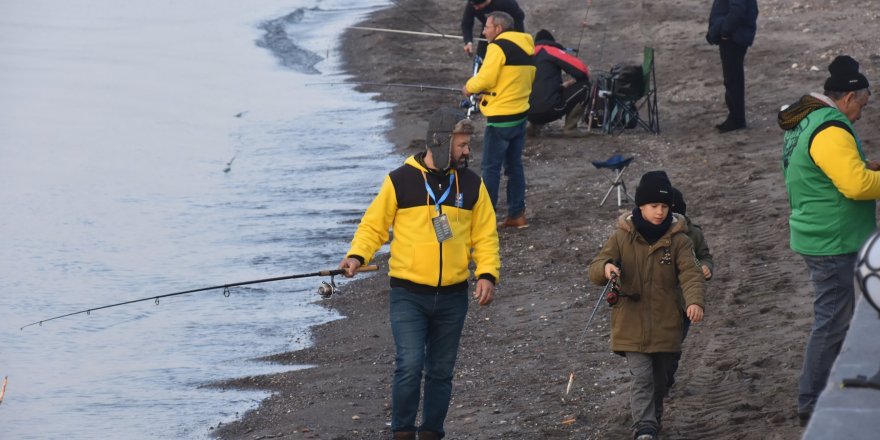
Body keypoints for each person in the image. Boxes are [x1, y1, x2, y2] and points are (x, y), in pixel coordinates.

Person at [338, 107, 500, 440]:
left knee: (441, 372)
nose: (468, 151)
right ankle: (402, 432)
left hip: (453, 297)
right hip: (408, 294)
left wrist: (486, 274)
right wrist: (356, 255)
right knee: (410, 365)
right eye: (462, 145)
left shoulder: (472, 184)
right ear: (441, 142)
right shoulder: (400, 180)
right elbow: (374, 226)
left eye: (468, 144)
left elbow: (485, 236)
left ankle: (431, 433)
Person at [779, 54, 879, 426]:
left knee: (838, 316)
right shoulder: (832, 128)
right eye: (863, 106)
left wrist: (865, 167)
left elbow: (824, 171)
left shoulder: (806, 120)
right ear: (850, 97)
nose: (861, 115)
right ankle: (812, 401)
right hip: (832, 240)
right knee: (832, 321)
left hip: (819, 232)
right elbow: (854, 186)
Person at [587, 171, 705, 440]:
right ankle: (645, 427)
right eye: (654, 206)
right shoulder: (621, 236)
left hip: (667, 323)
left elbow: (691, 273)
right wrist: (606, 269)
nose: (660, 212)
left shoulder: (680, 240)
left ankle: (654, 420)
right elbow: (594, 268)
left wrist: (695, 301)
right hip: (630, 323)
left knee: (661, 380)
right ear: (640, 205)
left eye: (664, 206)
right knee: (642, 377)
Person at [462, 11, 535, 229]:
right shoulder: (526, 46)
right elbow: (514, 78)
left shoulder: (498, 47)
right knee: (514, 166)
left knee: (490, 168)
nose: (483, 31)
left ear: (499, 29)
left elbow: (485, 78)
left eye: (486, 27)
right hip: (520, 115)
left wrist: (469, 88)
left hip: (501, 118)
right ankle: (517, 214)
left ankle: (486, 219)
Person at [667, 186, 714, 389]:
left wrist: (706, 267)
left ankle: (666, 379)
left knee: (674, 345)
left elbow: (705, 255)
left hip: (684, 301)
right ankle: (656, 379)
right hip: (659, 301)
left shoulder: (693, 233)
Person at [526, 29, 591, 137]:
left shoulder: (527, 53)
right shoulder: (550, 50)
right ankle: (570, 128)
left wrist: (561, 87)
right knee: (585, 86)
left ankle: (533, 126)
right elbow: (582, 71)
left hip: (526, 113)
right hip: (551, 110)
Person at [706, 0, 758, 133]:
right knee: (733, 78)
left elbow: (738, 10)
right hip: (735, 35)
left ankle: (736, 119)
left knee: (733, 79)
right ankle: (736, 118)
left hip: (734, 37)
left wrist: (724, 32)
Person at [461, 0, 525, 60]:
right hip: (488, 28)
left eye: (478, 5)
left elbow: (519, 17)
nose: (476, 8)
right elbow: (466, 24)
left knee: (510, 56)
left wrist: (518, 39)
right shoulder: (473, 4)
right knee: (481, 56)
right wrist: (468, 42)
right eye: (474, 5)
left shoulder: (507, 3)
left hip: (509, 31)